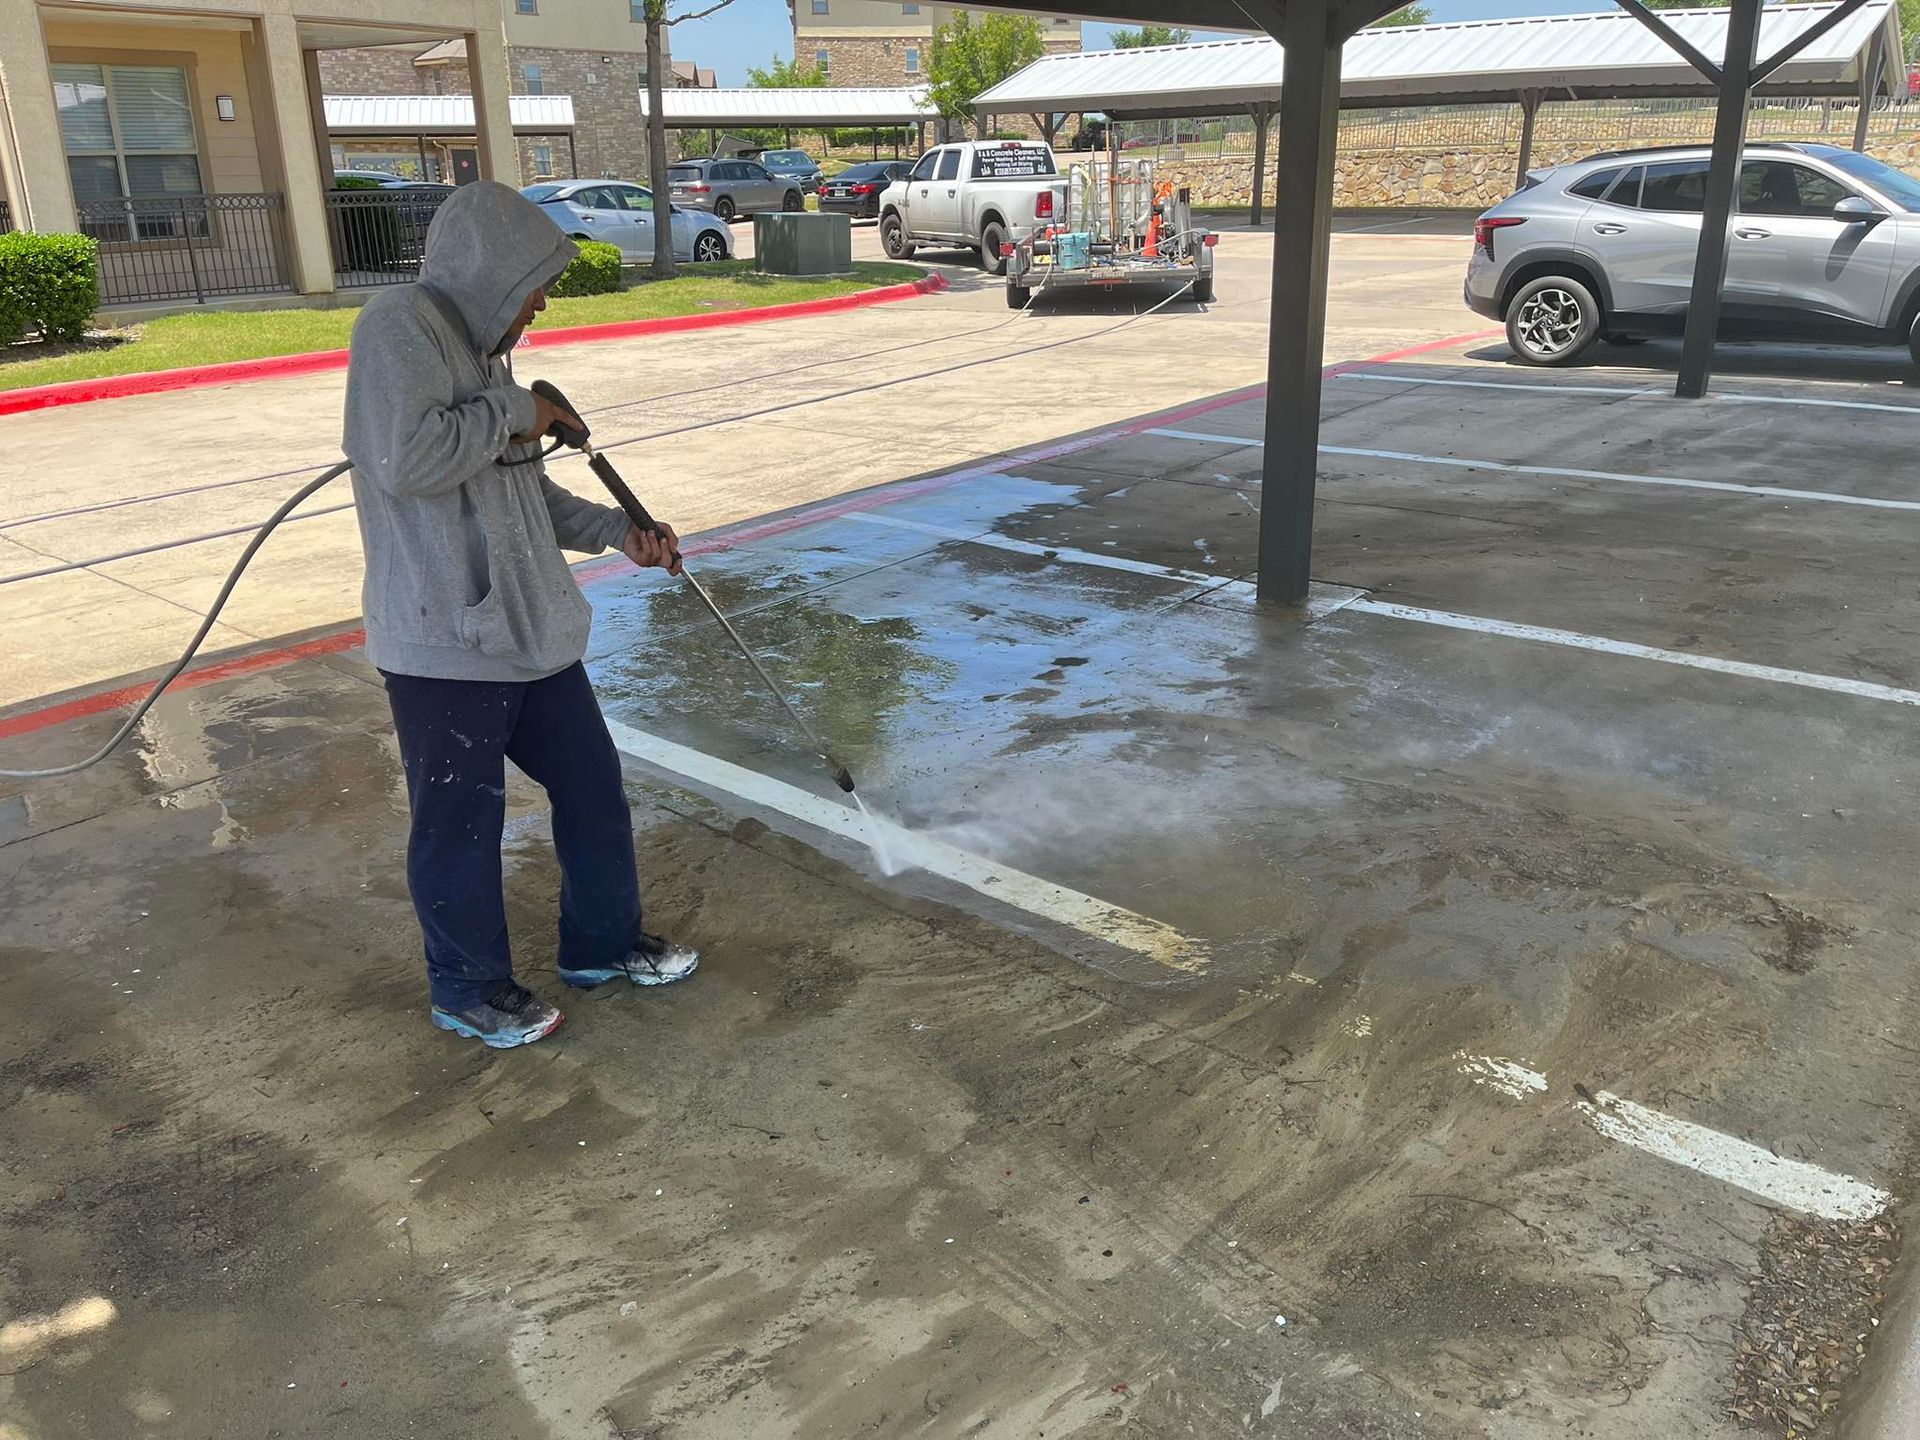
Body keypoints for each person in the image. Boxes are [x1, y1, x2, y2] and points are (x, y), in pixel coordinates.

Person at [342, 180, 695, 1049]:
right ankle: (468, 989)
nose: (538, 306)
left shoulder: (486, 356)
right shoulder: (397, 328)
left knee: (593, 789)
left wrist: (617, 531)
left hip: (531, 635)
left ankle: (601, 945)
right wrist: (516, 411)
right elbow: (408, 460)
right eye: (533, 287)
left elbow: (522, 491)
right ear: (489, 272)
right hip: (445, 642)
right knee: (461, 827)